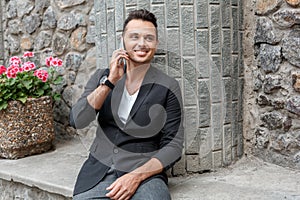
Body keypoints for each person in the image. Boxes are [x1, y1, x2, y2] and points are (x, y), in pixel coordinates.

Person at [70, 9, 184, 200]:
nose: (142, 43)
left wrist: (135, 177)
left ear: (156, 43)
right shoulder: (102, 76)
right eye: (134, 37)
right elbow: (77, 120)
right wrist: (110, 82)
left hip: (144, 176)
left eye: (149, 38)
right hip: (99, 172)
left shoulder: (168, 86)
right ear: (123, 40)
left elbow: (173, 146)